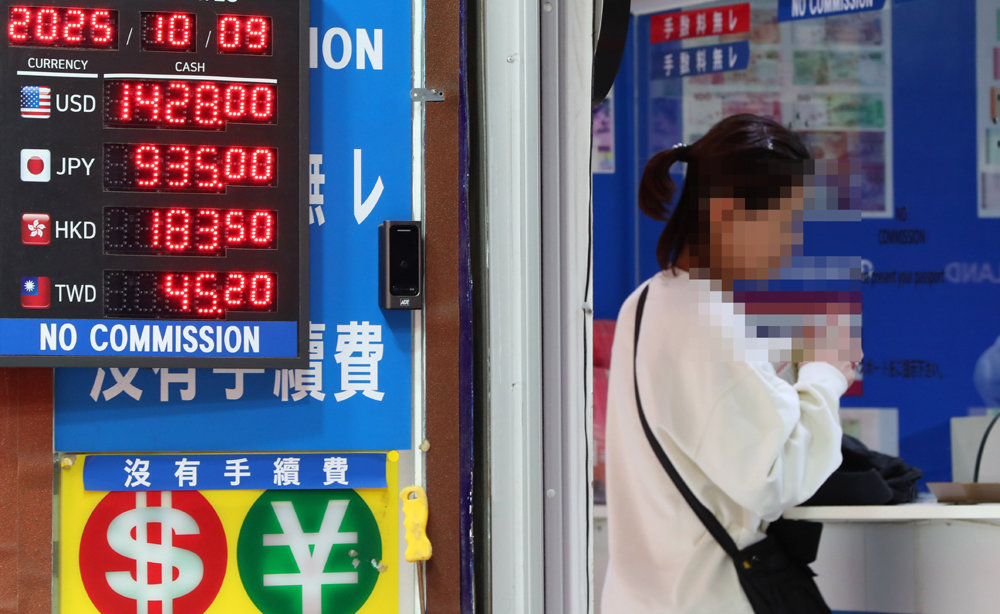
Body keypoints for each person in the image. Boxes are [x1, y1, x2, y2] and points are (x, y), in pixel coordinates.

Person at [600, 114, 858, 613]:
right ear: (726, 210)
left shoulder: (646, 303)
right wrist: (826, 374)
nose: (793, 242)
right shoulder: (709, 321)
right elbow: (773, 479)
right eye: (786, 221)